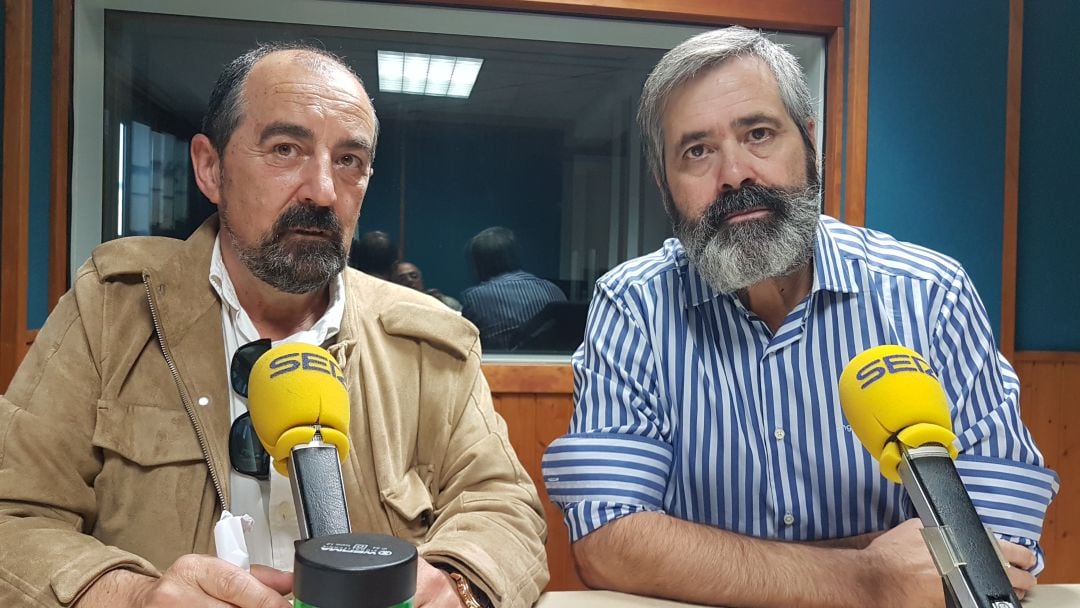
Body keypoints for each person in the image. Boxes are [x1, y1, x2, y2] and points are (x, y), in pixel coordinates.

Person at [0, 43, 547, 608]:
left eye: (349, 161)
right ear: (210, 168)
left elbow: (501, 506)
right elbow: (11, 515)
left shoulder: (432, 340)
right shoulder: (111, 310)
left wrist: (457, 584)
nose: (323, 191)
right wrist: (132, 597)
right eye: (286, 149)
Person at [541, 26, 1056, 608]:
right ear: (666, 185)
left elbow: (998, 546)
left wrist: (715, 561)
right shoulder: (631, 307)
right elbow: (610, 542)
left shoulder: (931, 294)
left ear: (809, 143)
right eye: (697, 151)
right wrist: (866, 577)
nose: (734, 174)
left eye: (758, 133)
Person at [460, 227, 566, 350]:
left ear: (479, 264)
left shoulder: (474, 298)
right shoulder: (555, 291)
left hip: (497, 369)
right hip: (553, 368)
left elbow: (465, 348)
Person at [393, 260, 463, 312]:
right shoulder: (394, 308)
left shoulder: (445, 302)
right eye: (402, 279)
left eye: (414, 276)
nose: (409, 280)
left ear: (421, 279)